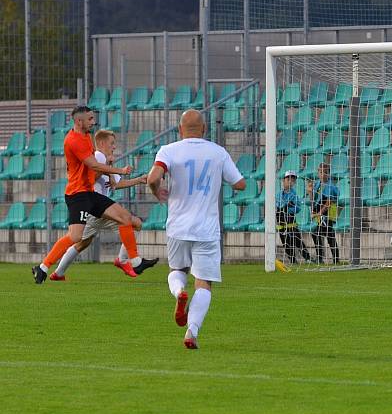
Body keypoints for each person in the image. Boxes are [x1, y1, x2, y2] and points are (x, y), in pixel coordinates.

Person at [147, 109, 245, 349]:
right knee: (204, 282)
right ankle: (192, 331)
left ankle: (179, 291)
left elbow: (152, 178)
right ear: (204, 129)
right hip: (207, 229)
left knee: (177, 269)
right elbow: (240, 184)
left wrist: (156, 190)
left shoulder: (169, 150)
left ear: (180, 129)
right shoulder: (217, 152)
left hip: (178, 227)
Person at [32, 106, 157, 284]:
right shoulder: (73, 140)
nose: (93, 122)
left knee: (125, 218)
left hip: (89, 192)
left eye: (93, 118)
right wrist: (119, 169)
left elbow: (103, 176)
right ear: (78, 121)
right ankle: (43, 267)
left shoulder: (87, 137)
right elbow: (94, 166)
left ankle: (135, 262)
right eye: (90, 119)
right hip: (77, 195)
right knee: (77, 238)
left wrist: (115, 174)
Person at [308, 163, 340, 265]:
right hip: (321, 215)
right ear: (318, 173)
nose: (323, 174)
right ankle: (335, 259)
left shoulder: (329, 186)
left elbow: (328, 202)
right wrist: (310, 192)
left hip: (328, 215)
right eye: (321, 172)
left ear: (329, 174)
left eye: (325, 172)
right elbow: (314, 200)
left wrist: (319, 213)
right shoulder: (317, 184)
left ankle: (320, 258)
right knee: (329, 236)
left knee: (316, 233)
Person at [277, 170, 310, 265]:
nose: (290, 181)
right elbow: (277, 205)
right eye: (288, 179)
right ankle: (292, 260)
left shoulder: (294, 194)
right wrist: (284, 206)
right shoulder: (279, 194)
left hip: (290, 221)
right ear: (284, 180)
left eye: (292, 179)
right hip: (281, 222)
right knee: (285, 243)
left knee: (297, 240)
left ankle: (307, 258)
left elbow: (298, 208)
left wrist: (288, 209)